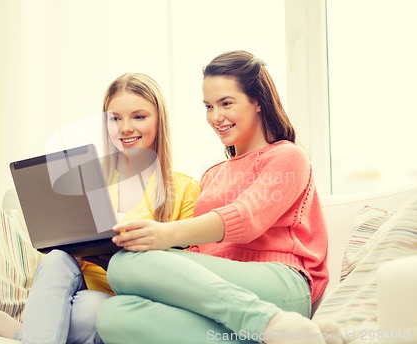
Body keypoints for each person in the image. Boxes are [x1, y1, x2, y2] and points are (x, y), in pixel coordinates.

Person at [95, 51, 331, 344]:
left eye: (226, 103)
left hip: (282, 285)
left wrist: (163, 235)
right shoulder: (212, 175)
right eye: (208, 106)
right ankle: (276, 335)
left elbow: (245, 218)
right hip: (223, 292)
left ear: (257, 101)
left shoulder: (288, 156)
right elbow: (199, 254)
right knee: (113, 315)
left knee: (127, 264)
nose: (216, 117)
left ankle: (265, 321)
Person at [0, 73, 201, 344]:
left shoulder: (185, 188)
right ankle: (36, 327)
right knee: (57, 257)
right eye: (115, 118)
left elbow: (192, 268)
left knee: (93, 313)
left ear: (159, 121)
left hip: (131, 301)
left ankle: (22, 331)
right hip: (79, 291)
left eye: (139, 117)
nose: (125, 127)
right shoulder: (89, 181)